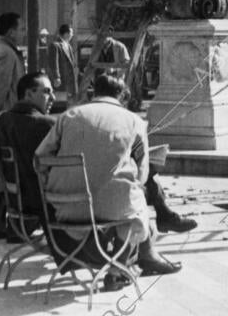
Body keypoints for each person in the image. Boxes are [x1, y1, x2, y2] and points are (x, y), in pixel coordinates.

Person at [35, 74, 183, 287]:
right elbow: (142, 174)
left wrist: (52, 185)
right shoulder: (134, 121)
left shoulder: (69, 116)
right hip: (112, 208)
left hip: (65, 205)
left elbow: (40, 157)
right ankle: (118, 269)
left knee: (127, 201)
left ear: (93, 92)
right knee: (137, 209)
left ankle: (133, 260)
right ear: (122, 95)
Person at [0, 72, 56, 241]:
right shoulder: (50, 126)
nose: (53, 97)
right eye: (47, 91)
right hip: (50, 207)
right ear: (28, 94)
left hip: (15, 208)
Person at [48, 24, 79, 105]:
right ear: (66, 34)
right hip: (61, 80)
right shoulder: (55, 45)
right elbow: (53, 62)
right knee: (60, 103)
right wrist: (56, 77)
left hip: (70, 81)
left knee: (70, 103)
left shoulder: (69, 46)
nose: (72, 35)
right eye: (71, 33)